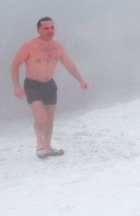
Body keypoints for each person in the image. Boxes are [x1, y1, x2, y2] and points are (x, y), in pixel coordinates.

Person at [11, 17, 88, 159]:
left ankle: (48, 147)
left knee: (49, 120)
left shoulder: (57, 46)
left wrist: (80, 80)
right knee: (41, 119)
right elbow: (15, 65)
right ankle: (39, 144)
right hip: (33, 85)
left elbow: (68, 63)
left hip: (49, 86)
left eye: (52, 27)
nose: (50, 31)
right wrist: (16, 86)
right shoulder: (29, 46)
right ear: (39, 30)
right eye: (46, 28)